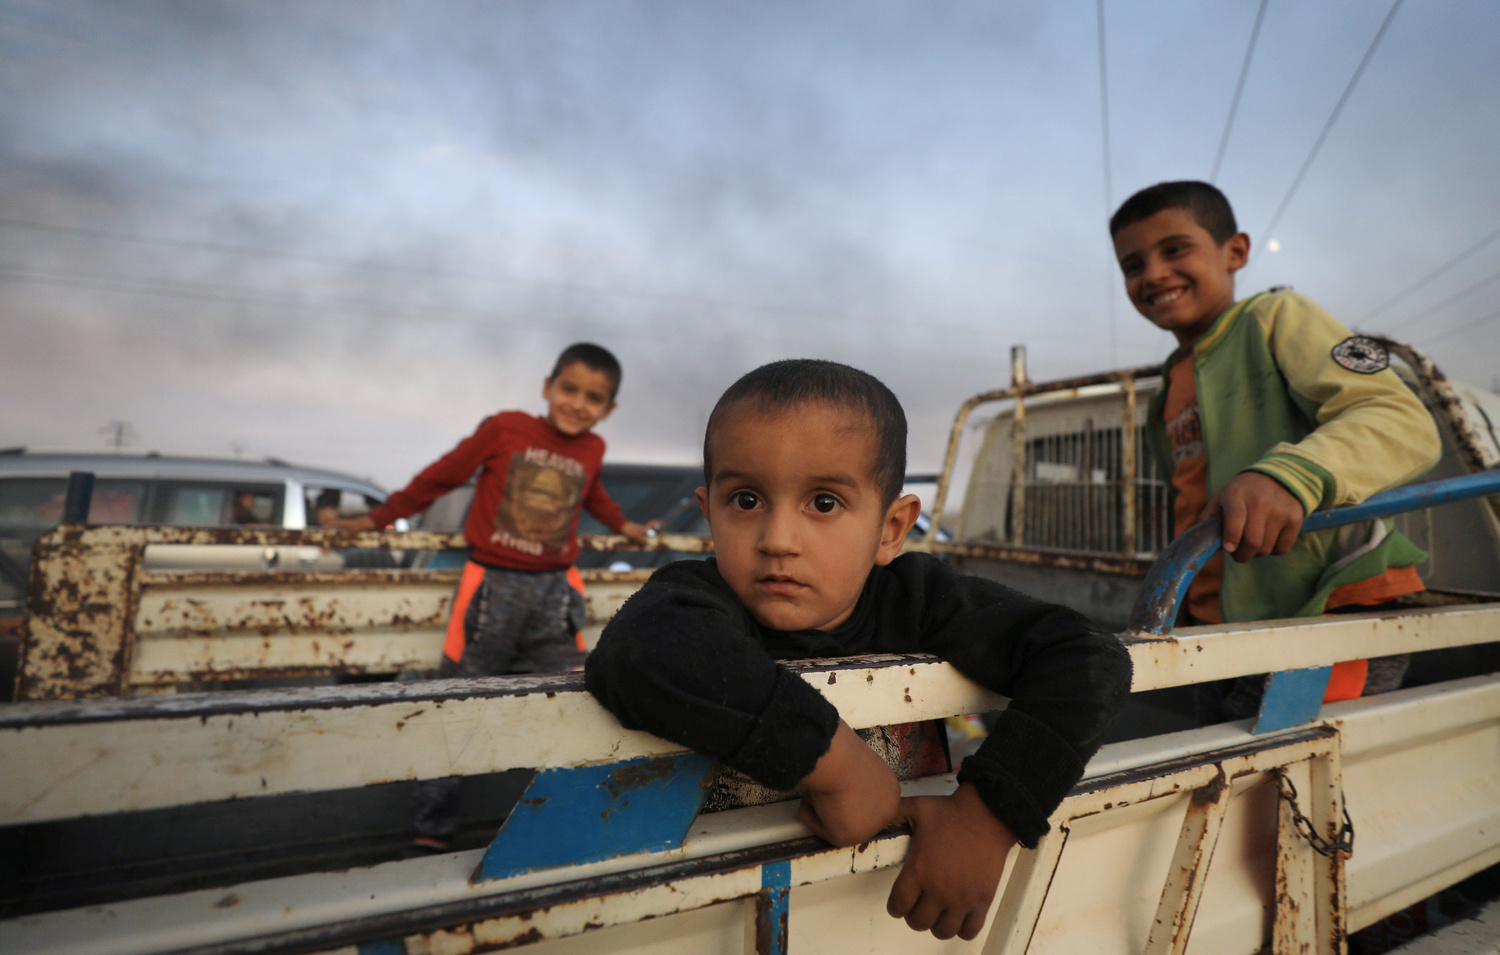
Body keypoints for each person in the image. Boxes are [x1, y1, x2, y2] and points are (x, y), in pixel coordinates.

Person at [585, 359, 1132, 941]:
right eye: (746, 500)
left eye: (824, 503)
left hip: (892, 911)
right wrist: (840, 767)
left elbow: (1088, 657)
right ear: (709, 512)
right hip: (705, 920)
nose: (777, 541)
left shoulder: (918, 599)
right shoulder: (695, 599)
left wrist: (986, 817)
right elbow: (640, 654)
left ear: (891, 529)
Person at [1110, 181, 1442, 718]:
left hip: (1326, 615)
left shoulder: (1276, 318)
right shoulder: (1168, 387)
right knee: (1226, 783)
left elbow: (1400, 420)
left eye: (1174, 250)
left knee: (1288, 786)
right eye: (1132, 265)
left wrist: (1291, 474)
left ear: (1235, 251)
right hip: (1219, 631)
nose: (1152, 274)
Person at [330, 342, 660, 851]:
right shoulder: (505, 429)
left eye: (593, 398)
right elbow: (440, 476)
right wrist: (375, 519)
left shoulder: (592, 451)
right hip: (491, 589)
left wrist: (625, 525)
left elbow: (593, 496)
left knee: (579, 699)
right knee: (456, 704)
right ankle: (431, 829)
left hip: (554, 594)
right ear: (547, 387)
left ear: (608, 411)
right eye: (568, 389)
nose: (577, 403)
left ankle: (579, 815)